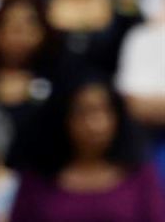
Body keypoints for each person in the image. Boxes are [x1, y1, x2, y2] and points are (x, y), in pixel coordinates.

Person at [10, 74, 165, 222]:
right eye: (83, 112)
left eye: (105, 111)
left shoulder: (139, 173)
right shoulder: (37, 177)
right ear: (62, 118)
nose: (95, 125)